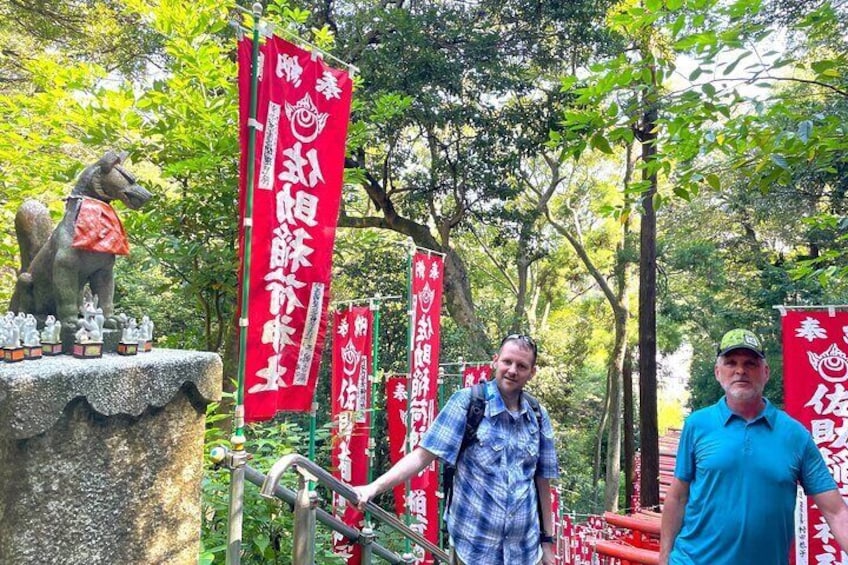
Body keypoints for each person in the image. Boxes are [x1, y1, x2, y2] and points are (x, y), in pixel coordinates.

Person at [354, 334, 559, 565]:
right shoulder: (467, 403)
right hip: (474, 548)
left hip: (524, 551)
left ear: (532, 372)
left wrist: (547, 543)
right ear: (495, 361)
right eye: (507, 362)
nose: (512, 370)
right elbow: (422, 455)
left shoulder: (538, 416)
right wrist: (373, 488)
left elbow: (542, 482)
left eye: (521, 366)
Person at [660, 328, 848, 565]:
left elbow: (836, 511)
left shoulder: (795, 435)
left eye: (750, 363)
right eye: (731, 363)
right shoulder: (698, 425)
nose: (740, 371)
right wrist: (664, 558)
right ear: (718, 372)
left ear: (765, 372)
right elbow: (677, 496)